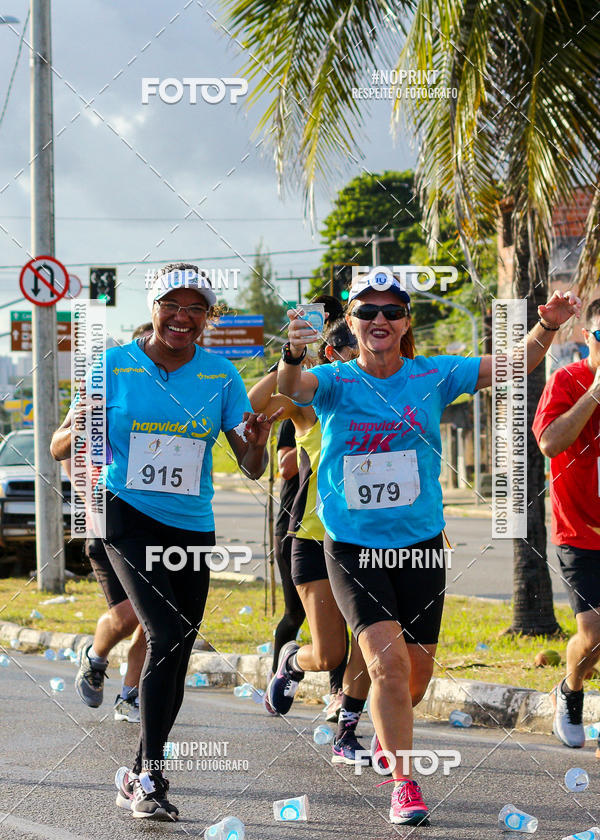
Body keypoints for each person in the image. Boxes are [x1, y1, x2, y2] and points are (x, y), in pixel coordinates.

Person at [278, 271, 580, 825]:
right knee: (388, 667)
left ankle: (381, 723)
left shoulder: (432, 374)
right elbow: (292, 389)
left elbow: (512, 365)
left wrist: (546, 326)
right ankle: (404, 784)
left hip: (420, 547)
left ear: (405, 323)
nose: (380, 320)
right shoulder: (334, 381)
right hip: (353, 548)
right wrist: (293, 353)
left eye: (392, 312)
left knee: (414, 681)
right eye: (367, 312)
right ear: (352, 322)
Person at [51, 263, 279, 821]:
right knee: (165, 631)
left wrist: (257, 442)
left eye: (196, 308)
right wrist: (78, 426)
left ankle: (139, 771)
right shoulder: (112, 366)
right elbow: (59, 447)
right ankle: (151, 778)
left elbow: (251, 466)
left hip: (191, 525)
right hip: (124, 513)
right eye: (172, 306)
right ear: (153, 309)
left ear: (208, 317)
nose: (183, 317)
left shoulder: (221, 375)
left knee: (178, 648)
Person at [250, 318, 372, 765]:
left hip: (368, 540)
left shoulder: (382, 396)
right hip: (313, 538)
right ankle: (292, 662)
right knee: (329, 651)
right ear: (332, 355)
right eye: (352, 352)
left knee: (370, 640)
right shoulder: (310, 403)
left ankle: (347, 733)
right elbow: (252, 403)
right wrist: (290, 359)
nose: (363, 360)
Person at [53, 323, 154, 723]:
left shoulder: (175, 398)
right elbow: (63, 448)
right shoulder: (104, 391)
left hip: (161, 521)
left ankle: (130, 695)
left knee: (156, 617)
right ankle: (95, 657)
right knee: (128, 616)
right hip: (107, 519)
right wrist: (87, 500)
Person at [534, 297, 600, 752]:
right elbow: (550, 443)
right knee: (593, 635)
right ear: (586, 335)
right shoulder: (567, 380)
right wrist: (595, 392)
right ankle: (570, 690)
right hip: (579, 530)